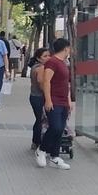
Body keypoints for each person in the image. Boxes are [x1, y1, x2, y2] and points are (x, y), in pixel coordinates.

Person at [37, 38, 73, 170]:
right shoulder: (52, 62)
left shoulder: (63, 63)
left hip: (63, 101)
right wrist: (48, 99)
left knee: (60, 129)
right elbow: (46, 81)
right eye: (69, 48)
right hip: (54, 100)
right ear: (65, 48)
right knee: (55, 127)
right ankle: (42, 149)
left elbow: (66, 83)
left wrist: (69, 100)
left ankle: (55, 156)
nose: (70, 50)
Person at [26, 47, 50, 151]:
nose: (48, 58)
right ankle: (37, 142)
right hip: (39, 97)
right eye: (45, 56)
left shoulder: (35, 66)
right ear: (38, 58)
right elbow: (41, 82)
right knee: (41, 120)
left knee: (39, 119)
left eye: (49, 55)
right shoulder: (40, 68)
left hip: (34, 96)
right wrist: (47, 93)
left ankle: (35, 141)